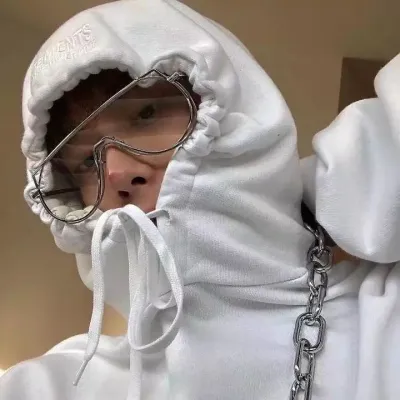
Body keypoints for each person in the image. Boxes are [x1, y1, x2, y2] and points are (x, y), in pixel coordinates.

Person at [1, 0, 400, 399]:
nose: (116, 172)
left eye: (146, 113)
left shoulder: (384, 322)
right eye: (88, 162)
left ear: (230, 104)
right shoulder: (64, 384)